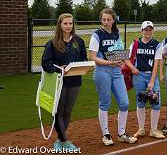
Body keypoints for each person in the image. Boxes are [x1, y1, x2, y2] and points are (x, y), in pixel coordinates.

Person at [89, 8, 137, 146]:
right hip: (102, 71)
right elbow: (92, 57)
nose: (106, 22)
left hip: (116, 72)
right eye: (103, 19)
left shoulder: (116, 33)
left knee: (124, 102)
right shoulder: (97, 35)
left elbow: (120, 53)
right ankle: (106, 134)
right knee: (105, 102)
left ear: (113, 20)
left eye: (108, 19)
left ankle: (121, 133)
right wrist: (111, 62)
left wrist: (122, 59)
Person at [41, 13, 87, 151]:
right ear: (60, 25)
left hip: (75, 81)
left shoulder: (79, 41)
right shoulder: (52, 43)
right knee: (58, 112)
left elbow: (83, 58)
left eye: (70, 23)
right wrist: (58, 68)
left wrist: (85, 66)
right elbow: (45, 63)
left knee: (67, 112)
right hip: (59, 82)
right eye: (65, 23)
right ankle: (64, 140)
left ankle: (60, 140)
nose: (68, 26)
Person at [126, 21, 165, 139]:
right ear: (141, 30)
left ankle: (153, 129)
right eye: (146, 29)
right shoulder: (135, 43)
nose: (148, 31)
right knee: (141, 102)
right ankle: (141, 129)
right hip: (138, 76)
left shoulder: (157, 45)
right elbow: (126, 59)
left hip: (151, 75)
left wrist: (152, 81)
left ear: (153, 30)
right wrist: (133, 69)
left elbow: (156, 65)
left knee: (156, 102)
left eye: (150, 29)